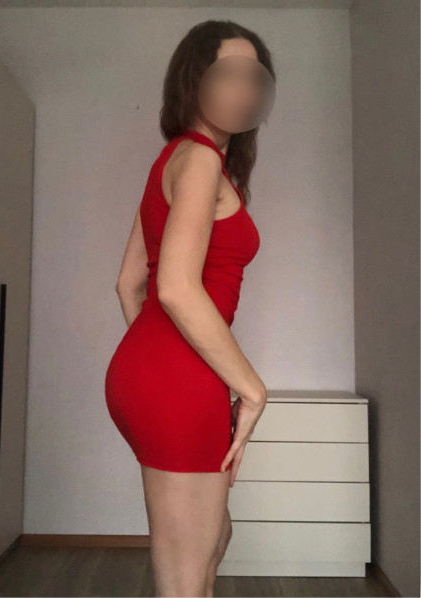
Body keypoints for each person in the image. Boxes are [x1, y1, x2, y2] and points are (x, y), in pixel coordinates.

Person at [105, 19, 276, 597]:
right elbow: (175, 288)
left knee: (213, 537)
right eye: (227, 75)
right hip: (176, 380)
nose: (243, 89)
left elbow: (129, 283)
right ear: (192, 81)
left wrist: (157, 364)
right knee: (187, 582)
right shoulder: (198, 160)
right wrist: (251, 389)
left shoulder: (175, 160)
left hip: (153, 373)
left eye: (254, 78)